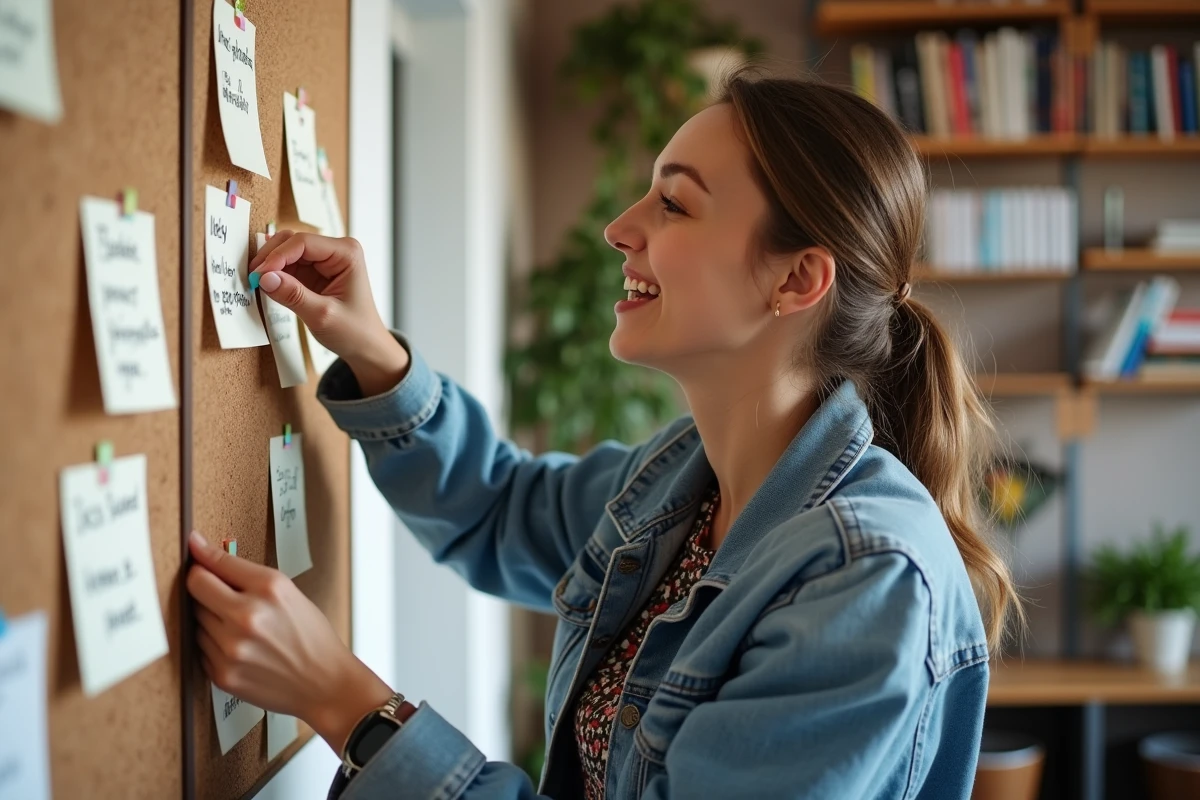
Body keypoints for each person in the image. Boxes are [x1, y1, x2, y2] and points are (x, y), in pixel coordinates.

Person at [186, 72, 1019, 799]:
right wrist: (375, 352)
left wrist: (351, 707)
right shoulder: (682, 477)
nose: (620, 228)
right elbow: (500, 510)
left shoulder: (869, 584)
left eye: (673, 201)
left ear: (796, 279)